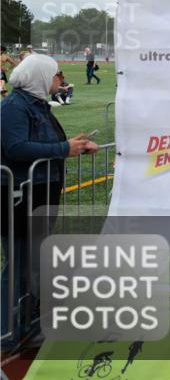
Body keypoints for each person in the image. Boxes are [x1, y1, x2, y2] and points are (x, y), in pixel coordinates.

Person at [1, 54, 98, 349]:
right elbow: (16, 147)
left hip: (38, 192)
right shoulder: (14, 107)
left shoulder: (36, 106)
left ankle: (25, 324)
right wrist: (63, 148)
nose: (60, 79)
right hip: (18, 194)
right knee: (19, 262)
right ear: (40, 76)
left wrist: (75, 147)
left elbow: (45, 145)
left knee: (32, 261)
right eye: (57, 74)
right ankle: (7, 331)